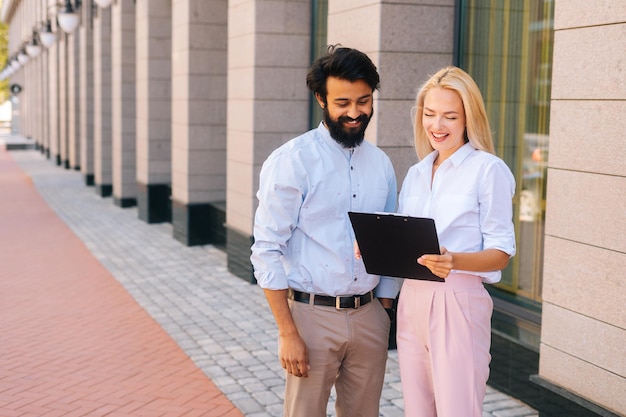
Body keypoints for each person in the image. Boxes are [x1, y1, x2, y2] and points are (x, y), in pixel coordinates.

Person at [250, 45, 400, 417]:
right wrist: (288, 332)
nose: (354, 112)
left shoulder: (381, 165)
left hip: (369, 316)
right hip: (310, 316)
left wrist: (383, 309)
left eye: (364, 101)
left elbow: (389, 238)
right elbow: (266, 248)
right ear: (321, 98)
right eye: (343, 102)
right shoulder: (292, 161)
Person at [396, 66, 516, 417]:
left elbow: (501, 253)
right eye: (430, 114)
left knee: (457, 411)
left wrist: (455, 261)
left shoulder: (487, 170)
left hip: (457, 301)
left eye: (450, 116)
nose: (438, 125)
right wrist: (378, 247)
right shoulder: (417, 173)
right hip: (412, 300)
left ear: (468, 119)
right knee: (418, 411)